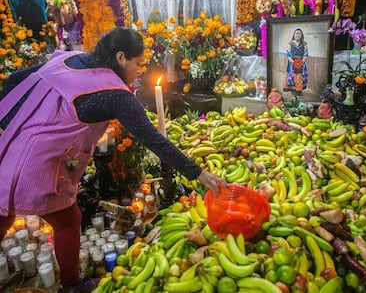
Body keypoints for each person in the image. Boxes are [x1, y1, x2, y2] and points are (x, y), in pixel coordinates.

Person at [0, 27, 226, 293]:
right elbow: (154, 140)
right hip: (37, 163)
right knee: (67, 220)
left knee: (5, 213)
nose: (140, 69)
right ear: (120, 57)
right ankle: (72, 286)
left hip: (11, 145)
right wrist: (198, 173)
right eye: (138, 62)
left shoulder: (71, 59)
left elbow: (16, 79)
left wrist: (9, 120)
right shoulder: (116, 94)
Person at [283, 28, 308, 94]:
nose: (298, 35)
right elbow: (288, 54)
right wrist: (292, 61)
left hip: (301, 62)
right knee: (291, 74)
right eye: (296, 33)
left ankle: (298, 89)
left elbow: (306, 53)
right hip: (292, 62)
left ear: (301, 35)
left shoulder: (304, 44)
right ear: (294, 34)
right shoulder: (290, 44)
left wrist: (302, 61)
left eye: (299, 33)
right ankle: (292, 88)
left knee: (299, 75)